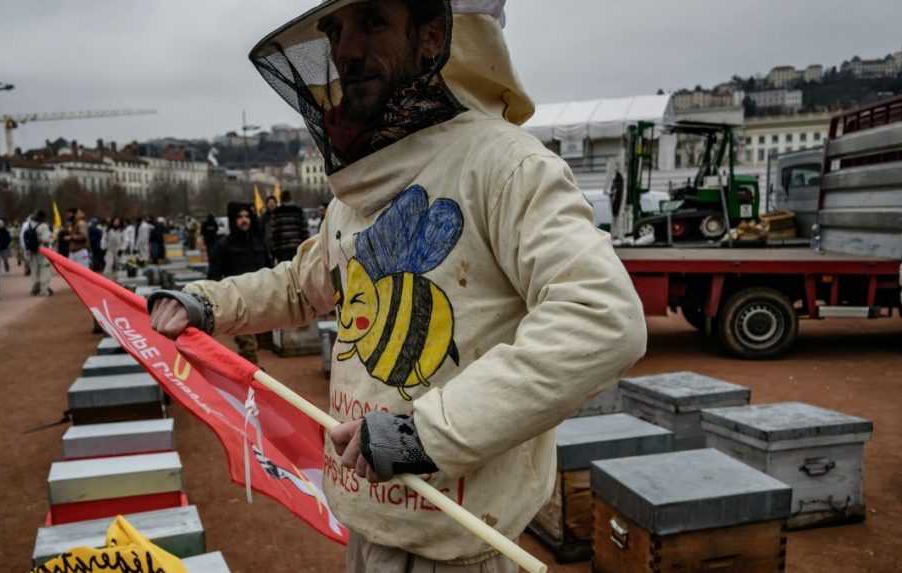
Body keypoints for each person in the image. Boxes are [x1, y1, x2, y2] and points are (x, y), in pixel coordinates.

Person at [150, 2, 646, 572]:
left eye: (373, 23)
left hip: (456, 548)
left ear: (433, 35)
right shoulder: (357, 188)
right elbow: (299, 286)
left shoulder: (505, 165)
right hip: (368, 527)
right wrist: (206, 304)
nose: (346, 51)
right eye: (337, 31)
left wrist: (425, 433)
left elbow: (601, 318)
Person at [206, 204, 271, 363]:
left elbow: (270, 270)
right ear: (233, 220)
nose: (244, 220)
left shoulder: (258, 243)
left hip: (259, 300)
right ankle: (253, 377)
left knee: (260, 343)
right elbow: (214, 275)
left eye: (247, 217)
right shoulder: (223, 245)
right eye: (240, 217)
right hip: (237, 302)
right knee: (248, 346)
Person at [270, 190, 308, 263]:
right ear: (290, 198)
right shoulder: (298, 210)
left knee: (285, 271)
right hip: (297, 246)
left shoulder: (277, 212)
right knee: (297, 270)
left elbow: (274, 232)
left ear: (280, 199)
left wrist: (274, 249)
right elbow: (304, 229)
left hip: (282, 248)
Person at [24, 209, 54, 296]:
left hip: (32, 250)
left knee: (34, 270)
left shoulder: (29, 225)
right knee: (45, 270)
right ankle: (44, 290)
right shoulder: (44, 226)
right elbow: (47, 239)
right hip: (42, 250)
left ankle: (35, 288)